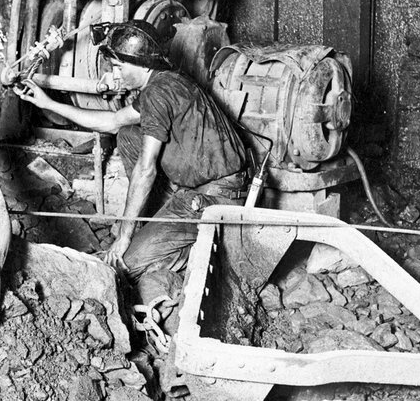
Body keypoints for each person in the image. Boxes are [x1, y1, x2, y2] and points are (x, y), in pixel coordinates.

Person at [14, 20, 248, 348]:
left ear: (140, 63)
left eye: (119, 65)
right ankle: (156, 225)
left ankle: (173, 260)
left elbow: (146, 169)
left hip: (216, 197)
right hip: (196, 185)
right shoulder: (162, 84)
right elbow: (112, 122)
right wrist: (47, 102)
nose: (115, 72)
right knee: (127, 135)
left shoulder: (159, 91)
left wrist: (124, 235)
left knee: (127, 264)